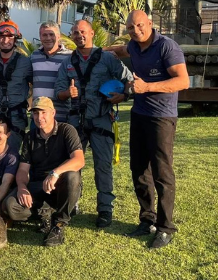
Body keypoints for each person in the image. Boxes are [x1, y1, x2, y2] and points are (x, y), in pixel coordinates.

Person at [114, 10, 189, 248]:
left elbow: (183, 81)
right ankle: (147, 219)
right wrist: (95, 50)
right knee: (138, 169)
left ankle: (166, 228)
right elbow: (120, 50)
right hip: (139, 114)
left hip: (162, 118)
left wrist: (147, 87)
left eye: (139, 26)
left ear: (150, 23)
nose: (136, 31)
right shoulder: (133, 46)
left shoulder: (168, 47)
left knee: (161, 172)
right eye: (130, 28)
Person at [54, 20, 133, 228]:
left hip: (101, 120)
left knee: (103, 166)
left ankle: (105, 210)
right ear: (71, 36)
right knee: (73, 167)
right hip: (75, 122)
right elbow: (59, 92)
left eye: (83, 31)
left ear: (91, 33)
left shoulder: (107, 58)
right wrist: (66, 93)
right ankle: (72, 204)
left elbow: (128, 79)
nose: (79, 35)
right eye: (75, 32)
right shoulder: (67, 62)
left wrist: (123, 95)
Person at [3, 97, 84, 247]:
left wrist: (55, 173)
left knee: (73, 176)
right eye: (35, 113)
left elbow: (79, 160)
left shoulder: (67, 130)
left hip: (60, 183)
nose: (39, 118)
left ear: (53, 112)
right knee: (10, 206)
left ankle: (59, 224)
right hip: (38, 185)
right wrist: (22, 187)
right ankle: (44, 213)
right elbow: (22, 169)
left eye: (43, 113)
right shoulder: (30, 137)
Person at [0, 20, 32, 150]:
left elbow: (34, 85)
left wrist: (28, 102)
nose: (5, 40)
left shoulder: (25, 62)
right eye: (2, 37)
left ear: (15, 39)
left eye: (10, 37)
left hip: (16, 116)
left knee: (12, 155)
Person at [30, 21, 72, 125]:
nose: (48, 38)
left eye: (51, 34)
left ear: (58, 36)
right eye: (44, 35)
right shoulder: (34, 56)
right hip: (38, 117)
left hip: (61, 116)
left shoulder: (70, 57)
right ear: (40, 36)